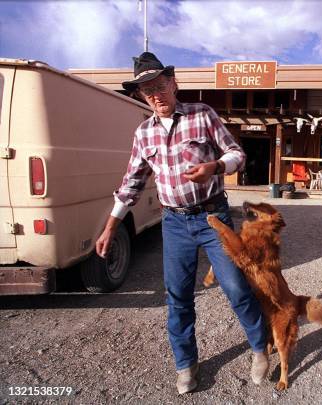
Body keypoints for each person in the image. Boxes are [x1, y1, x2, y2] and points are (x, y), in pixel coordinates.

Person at [94, 52, 268, 395]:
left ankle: (261, 349)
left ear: (174, 83)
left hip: (213, 217)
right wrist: (111, 226)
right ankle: (186, 364)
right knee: (178, 296)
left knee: (235, 286)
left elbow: (236, 153)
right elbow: (131, 182)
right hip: (174, 223)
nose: (156, 95)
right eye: (147, 91)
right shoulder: (143, 134)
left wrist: (215, 167)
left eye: (160, 85)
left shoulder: (202, 115)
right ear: (141, 96)